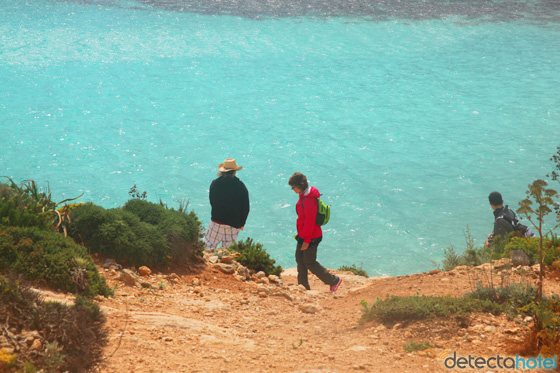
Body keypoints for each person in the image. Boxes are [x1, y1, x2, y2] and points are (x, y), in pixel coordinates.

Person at [288, 172, 342, 292]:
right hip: (304, 234)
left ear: (300, 186)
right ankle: (303, 287)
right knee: (300, 260)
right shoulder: (303, 196)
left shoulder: (308, 200)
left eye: (293, 187)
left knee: (309, 262)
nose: (292, 189)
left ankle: (334, 280)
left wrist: (307, 240)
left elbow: (310, 221)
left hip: (312, 236)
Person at [205, 158, 250, 251]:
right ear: (234, 172)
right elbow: (246, 207)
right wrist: (242, 223)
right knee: (228, 251)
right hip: (233, 225)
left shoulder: (215, 184)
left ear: (223, 171)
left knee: (209, 246)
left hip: (216, 222)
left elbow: (212, 201)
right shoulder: (240, 186)